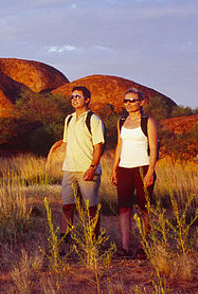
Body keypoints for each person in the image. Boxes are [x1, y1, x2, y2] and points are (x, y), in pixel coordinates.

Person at [115, 88, 160, 253]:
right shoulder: (121, 121)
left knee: (144, 208)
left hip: (143, 167)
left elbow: (153, 148)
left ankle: (144, 246)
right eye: (126, 101)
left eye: (132, 100)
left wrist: (150, 171)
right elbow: (119, 145)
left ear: (141, 102)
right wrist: (114, 169)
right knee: (124, 208)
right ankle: (125, 247)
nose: (128, 104)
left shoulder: (148, 122)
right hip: (124, 168)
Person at [60, 86, 105, 232]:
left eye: (78, 96)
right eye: (72, 97)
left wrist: (92, 167)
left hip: (87, 170)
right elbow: (67, 143)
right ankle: (64, 238)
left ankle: (93, 239)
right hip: (69, 170)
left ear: (87, 99)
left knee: (91, 208)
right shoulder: (69, 119)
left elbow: (98, 146)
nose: (74, 100)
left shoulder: (94, 120)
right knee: (67, 206)